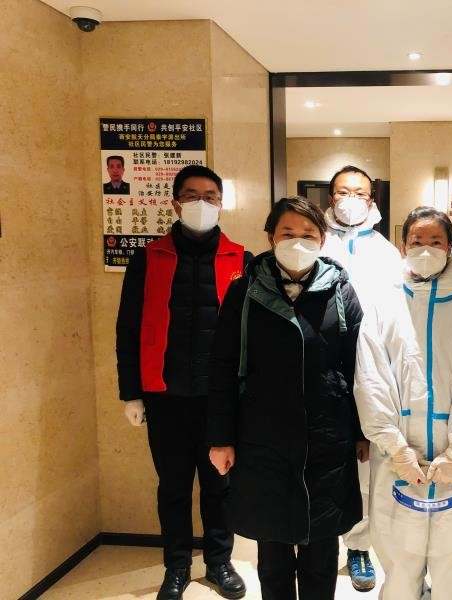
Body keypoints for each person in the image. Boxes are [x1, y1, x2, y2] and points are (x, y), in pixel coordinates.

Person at [207, 196, 364, 600]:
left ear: (322, 239)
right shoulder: (244, 292)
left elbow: (359, 368)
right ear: (270, 237)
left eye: (308, 234)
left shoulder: (341, 291)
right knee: (273, 551)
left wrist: (362, 432)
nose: (298, 241)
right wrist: (221, 438)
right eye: (288, 233)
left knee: (322, 549)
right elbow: (222, 367)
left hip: (326, 438)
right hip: (262, 438)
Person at [355, 206, 452, 600]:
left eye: (435, 241)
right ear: (403, 246)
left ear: (450, 246)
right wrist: (394, 447)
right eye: (416, 240)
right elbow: (371, 380)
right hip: (399, 455)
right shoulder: (384, 305)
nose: (425, 248)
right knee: (399, 551)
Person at [115, 165, 249, 600]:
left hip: (219, 401)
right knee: (172, 487)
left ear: (221, 203)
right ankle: (175, 567)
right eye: (192, 196)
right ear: (175, 203)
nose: (201, 203)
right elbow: (128, 328)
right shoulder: (149, 258)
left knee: (219, 487)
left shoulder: (241, 259)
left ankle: (219, 562)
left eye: (210, 196)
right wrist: (131, 393)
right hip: (165, 397)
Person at [319, 165, 402, 591]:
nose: (350, 199)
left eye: (360, 193)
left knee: (365, 464)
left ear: (372, 201)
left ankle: (358, 545)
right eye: (342, 191)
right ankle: (316, 539)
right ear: (330, 197)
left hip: (369, 370)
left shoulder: (387, 254)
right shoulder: (316, 242)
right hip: (320, 368)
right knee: (318, 455)